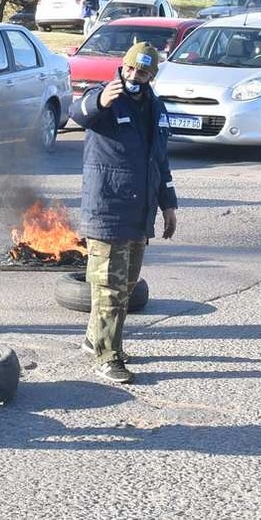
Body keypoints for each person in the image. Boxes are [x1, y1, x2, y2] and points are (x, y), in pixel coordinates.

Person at [70, 42, 178, 385]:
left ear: (152, 75)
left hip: (139, 212)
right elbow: (78, 112)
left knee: (126, 285)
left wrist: (169, 204)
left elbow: (159, 161)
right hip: (108, 208)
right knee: (109, 288)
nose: (134, 76)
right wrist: (100, 100)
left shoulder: (155, 107)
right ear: (122, 66)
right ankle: (107, 356)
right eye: (130, 69)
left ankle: (93, 339)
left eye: (142, 72)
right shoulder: (105, 96)